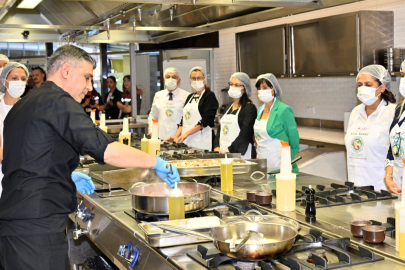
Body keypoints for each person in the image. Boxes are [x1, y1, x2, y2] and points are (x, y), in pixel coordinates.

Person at [0, 45, 180, 270]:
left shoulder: (24, 104)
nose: (89, 87)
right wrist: (156, 162)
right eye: (86, 78)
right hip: (36, 229)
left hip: (15, 224)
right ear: (66, 71)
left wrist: (64, 175)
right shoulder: (57, 101)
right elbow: (106, 149)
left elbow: (30, 155)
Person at [345, 65, 396, 191]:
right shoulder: (356, 112)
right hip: (355, 186)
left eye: (368, 85)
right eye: (360, 85)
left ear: (382, 87)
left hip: (381, 189)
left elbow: (398, 154)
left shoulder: (393, 113)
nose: (363, 89)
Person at [166, 66, 219, 151]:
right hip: (187, 141)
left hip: (202, 142)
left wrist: (186, 134)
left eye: (199, 78)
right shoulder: (190, 96)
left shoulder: (209, 96)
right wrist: (176, 137)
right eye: (193, 78)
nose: (196, 81)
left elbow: (206, 120)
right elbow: (183, 121)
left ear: (205, 79)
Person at [254, 73, 299, 170]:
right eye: (259, 88)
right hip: (262, 159)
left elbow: (293, 134)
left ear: (273, 89)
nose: (261, 91)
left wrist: (293, 153)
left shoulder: (284, 109)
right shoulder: (260, 110)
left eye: (265, 87)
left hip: (279, 160)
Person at [0, 62, 28, 197]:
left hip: (26, 175)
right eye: (14, 78)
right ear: (4, 81)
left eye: (23, 79)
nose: (19, 82)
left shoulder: (30, 107)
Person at [213, 72, 257, 159]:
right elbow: (220, 129)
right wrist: (216, 146)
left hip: (240, 155)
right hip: (223, 153)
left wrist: (230, 151)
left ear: (245, 89)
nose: (233, 87)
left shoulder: (249, 109)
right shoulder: (228, 107)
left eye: (237, 85)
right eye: (231, 84)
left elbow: (245, 134)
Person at [148, 67, 189, 139]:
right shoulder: (158, 95)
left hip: (179, 138)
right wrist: (152, 130)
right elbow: (153, 116)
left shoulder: (186, 95)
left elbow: (188, 118)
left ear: (179, 80)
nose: (170, 79)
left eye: (174, 77)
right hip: (161, 136)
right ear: (164, 79)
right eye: (168, 77)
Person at [385, 61, 405, 195]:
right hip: (398, 187)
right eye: (403, 75)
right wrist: (388, 176)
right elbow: (393, 148)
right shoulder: (400, 108)